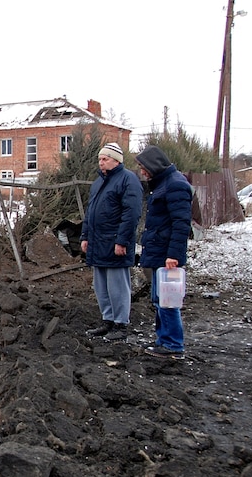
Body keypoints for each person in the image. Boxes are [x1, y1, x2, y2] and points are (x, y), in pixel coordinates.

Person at [80, 142, 143, 341]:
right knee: (100, 286)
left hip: (115, 243)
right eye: (100, 159)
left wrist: (122, 241)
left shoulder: (128, 180)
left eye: (105, 159)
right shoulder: (99, 183)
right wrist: (85, 236)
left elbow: (131, 214)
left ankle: (120, 323)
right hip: (97, 243)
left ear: (117, 160)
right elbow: (90, 212)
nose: (101, 162)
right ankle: (107, 320)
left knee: (118, 285)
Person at [135, 145, 193, 360]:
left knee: (168, 300)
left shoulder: (176, 185)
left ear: (154, 165)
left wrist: (174, 255)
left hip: (167, 254)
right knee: (160, 298)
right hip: (159, 250)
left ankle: (173, 344)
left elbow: (181, 224)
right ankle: (163, 340)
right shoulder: (164, 184)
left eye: (143, 167)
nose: (142, 171)